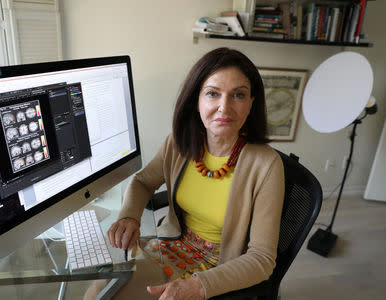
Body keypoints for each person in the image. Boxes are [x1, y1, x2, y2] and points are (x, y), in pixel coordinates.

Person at [86, 47, 285, 300]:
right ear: (196, 100)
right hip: (173, 244)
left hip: (220, 267)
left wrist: (197, 285)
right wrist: (130, 217)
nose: (224, 107)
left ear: (251, 104)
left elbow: (262, 259)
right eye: (213, 94)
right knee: (101, 287)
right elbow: (143, 181)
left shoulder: (267, 164)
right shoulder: (178, 144)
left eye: (238, 95)